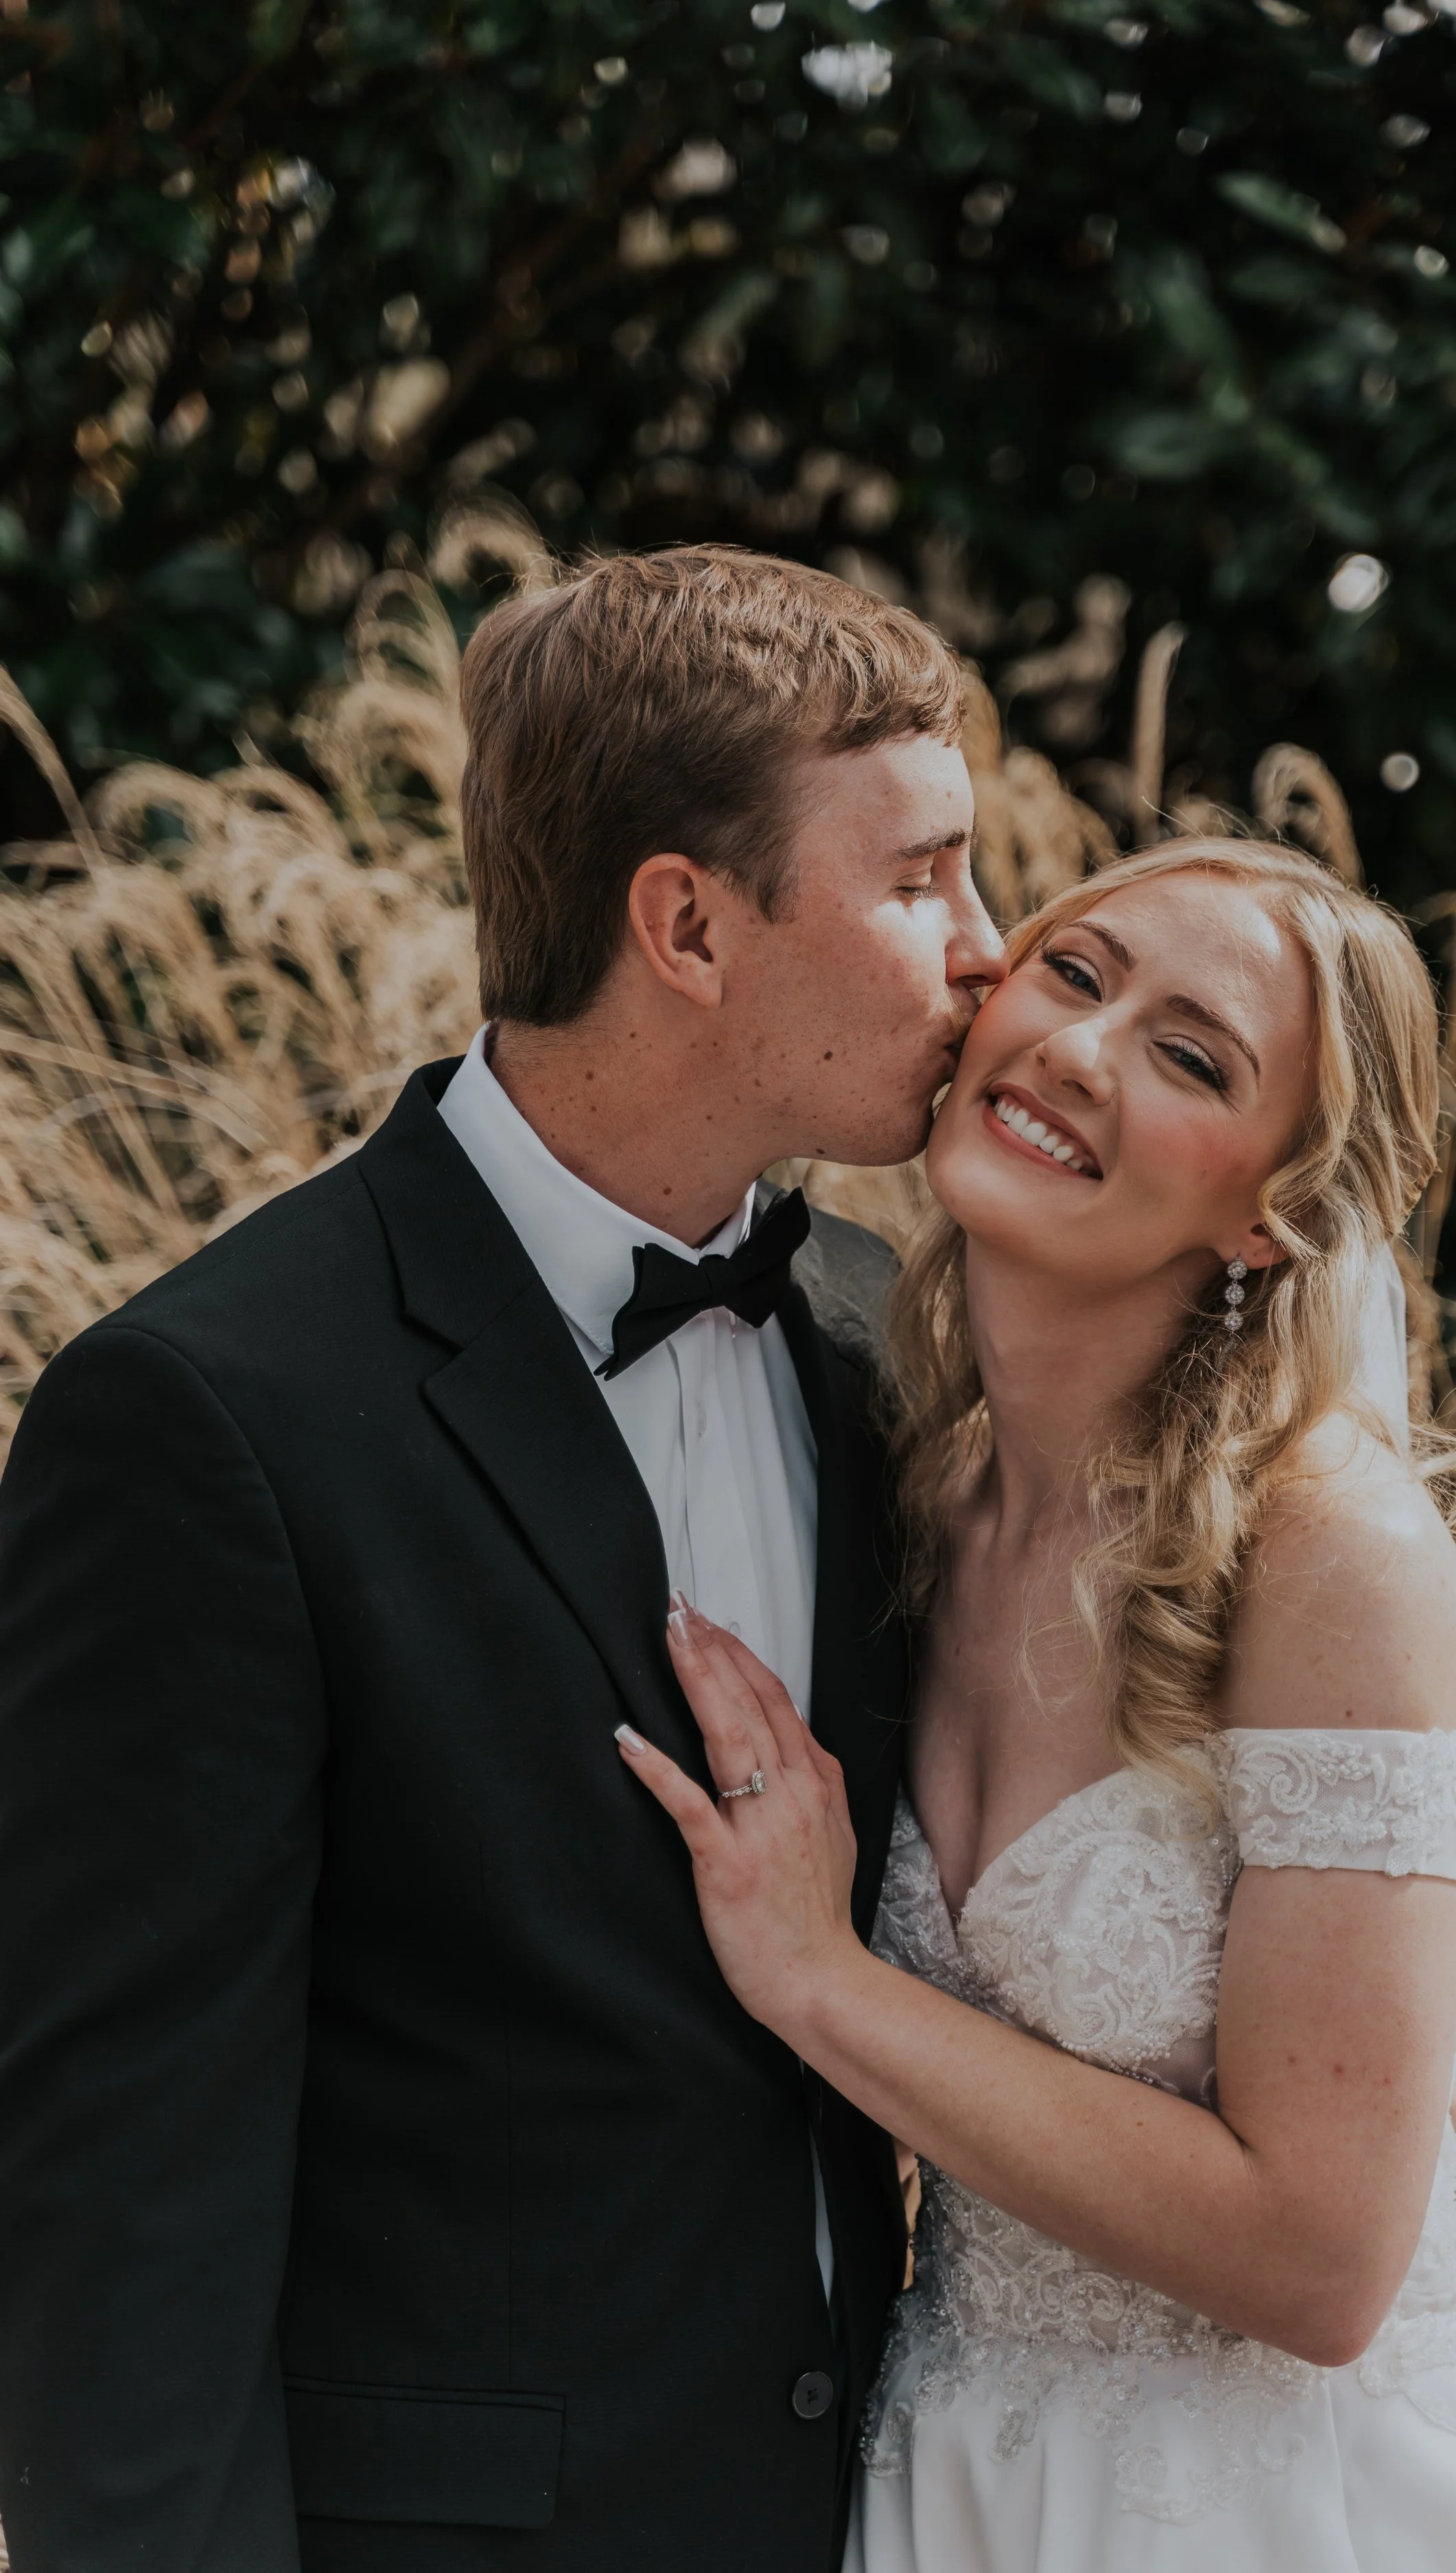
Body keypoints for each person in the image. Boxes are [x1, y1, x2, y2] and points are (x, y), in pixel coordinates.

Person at [0, 548, 1007, 2572]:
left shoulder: (875, 1338)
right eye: (919, 880)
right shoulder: (208, 1414)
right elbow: (118, 2211)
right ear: (686, 923)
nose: (986, 949)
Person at [618, 838, 1456, 2573]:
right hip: (945, 2477)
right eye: (1075, 973)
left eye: (1192, 1057)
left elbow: (1322, 2263)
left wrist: (822, 1979)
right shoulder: (897, 1479)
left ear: (1270, 1209)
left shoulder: (1328, 1556)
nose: (1079, 1051)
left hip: (1276, 2510)